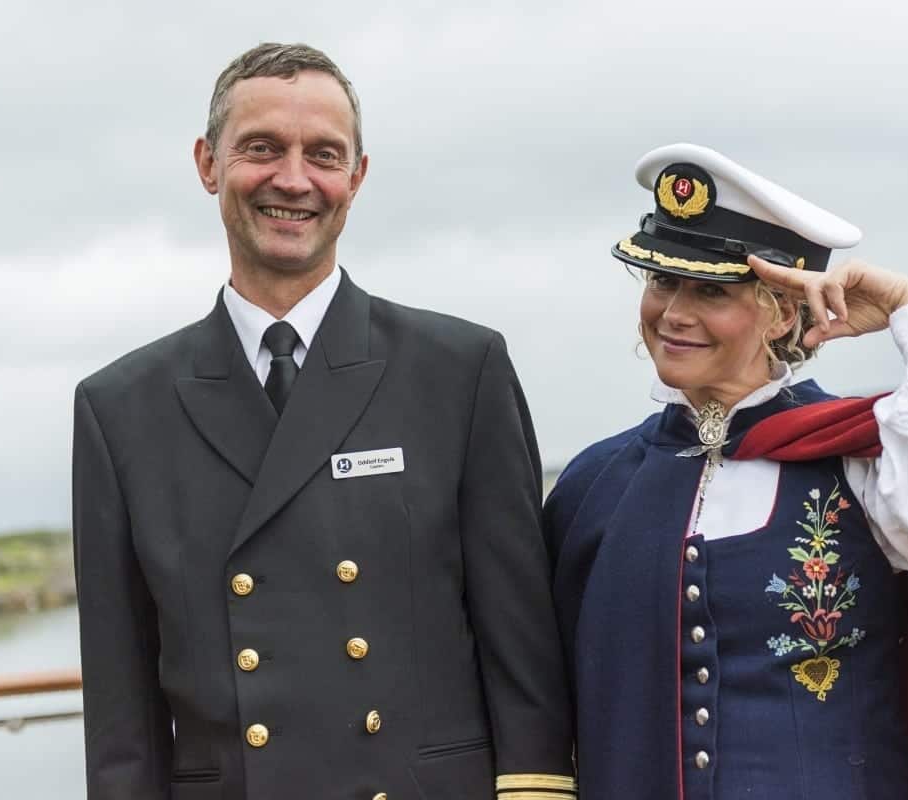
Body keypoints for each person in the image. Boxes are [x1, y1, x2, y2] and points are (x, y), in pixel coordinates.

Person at [543, 143, 908, 799]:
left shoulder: (856, 460)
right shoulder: (594, 485)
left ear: (784, 311)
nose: (674, 314)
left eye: (712, 292)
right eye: (661, 282)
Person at [72, 42, 576, 800]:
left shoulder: (459, 371)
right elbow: (122, 714)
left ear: (358, 177)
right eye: (262, 149)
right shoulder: (118, 409)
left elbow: (522, 656)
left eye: (324, 154)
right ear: (209, 164)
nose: (294, 180)